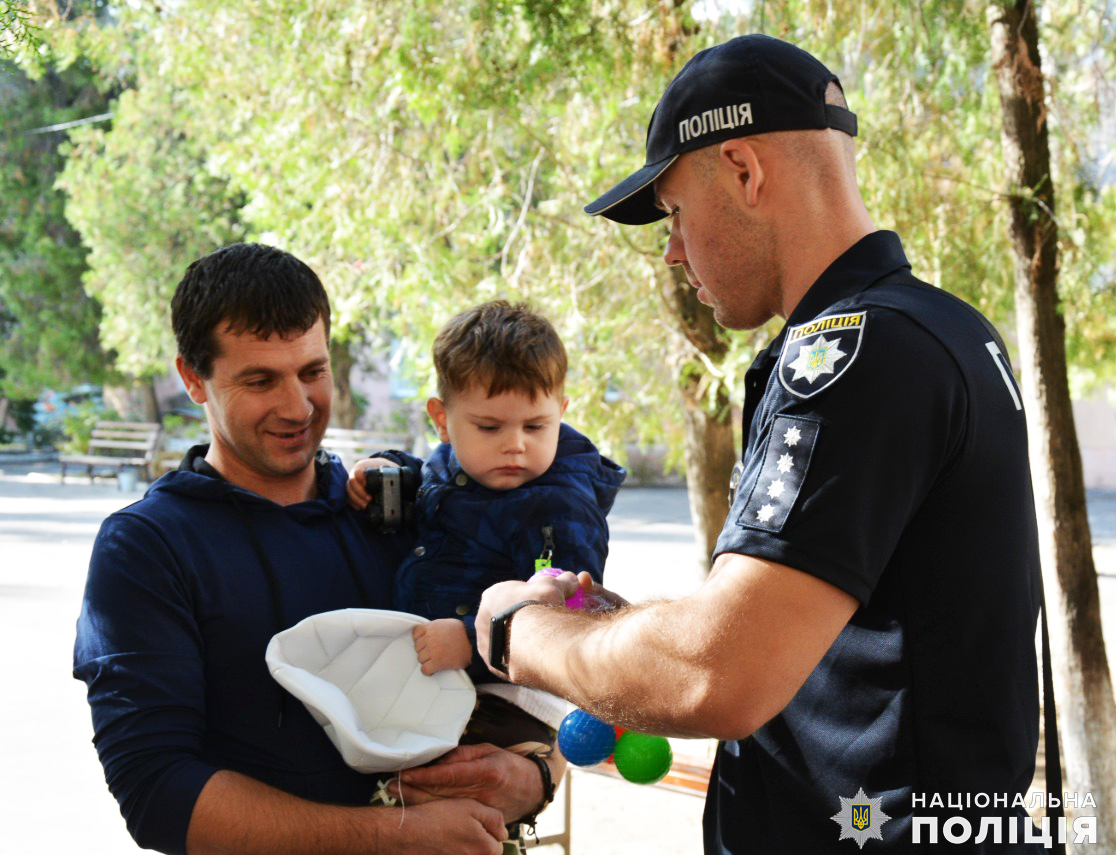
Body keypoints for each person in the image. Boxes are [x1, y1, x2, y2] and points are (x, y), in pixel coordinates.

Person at [474, 35, 1043, 853]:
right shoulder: (941, 326)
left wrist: (520, 634)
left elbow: (719, 674)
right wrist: (628, 633)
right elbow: (826, 630)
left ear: (743, 169)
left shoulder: (852, 356)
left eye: (675, 213)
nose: (673, 251)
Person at [73, 243, 557, 855]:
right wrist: (394, 837)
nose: (297, 407)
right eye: (260, 380)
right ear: (193, 379)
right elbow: (158, 793)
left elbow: (537, 665)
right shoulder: (147, 547)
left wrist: (536, 778)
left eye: (312, 372)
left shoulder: (405, 505)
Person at [347, 300, 626, 751]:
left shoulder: (559, 507)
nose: (515, 445)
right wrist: (387, 468)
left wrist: (469, 643)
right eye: (490, 428)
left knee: (456, 770)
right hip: (428, 679)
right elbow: (429, 485)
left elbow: (571, 617)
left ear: (561, 413)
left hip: (504, 698)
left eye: (535, 426)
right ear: (442, 420)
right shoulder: (454, 463)